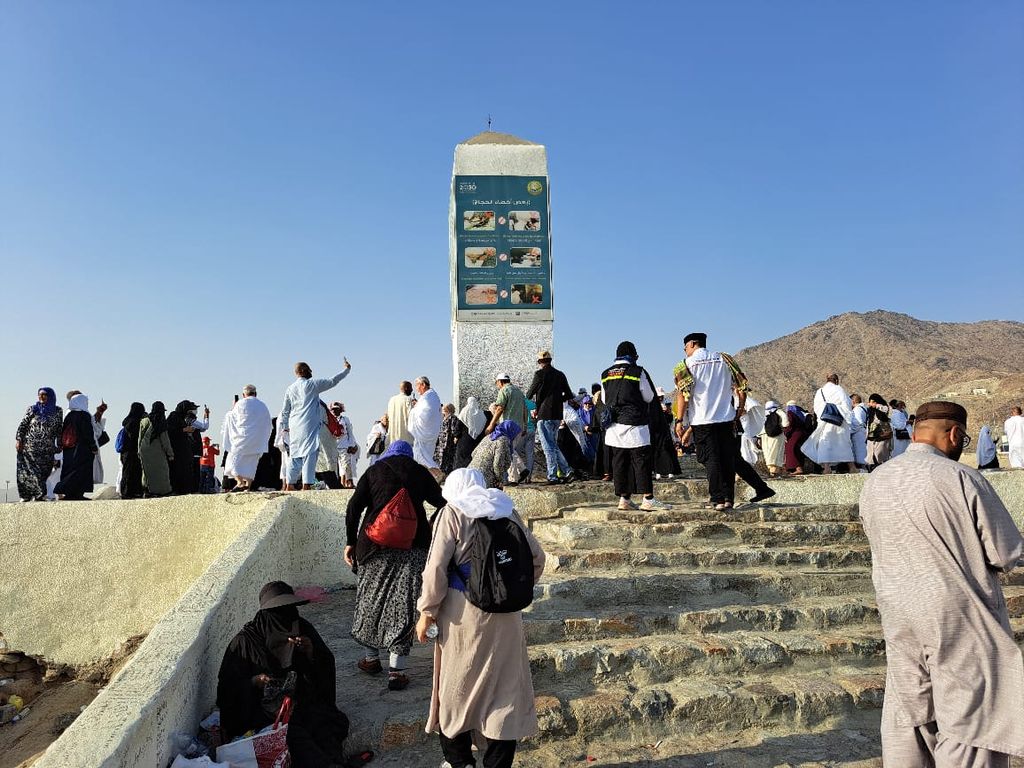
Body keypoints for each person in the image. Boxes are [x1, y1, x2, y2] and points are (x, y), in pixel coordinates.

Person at [859, 401, 1024, 766]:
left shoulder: (876, 481)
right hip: (958, 614)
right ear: (953, 434)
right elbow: (1005, 553)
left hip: (899, 613)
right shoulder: (962, 478)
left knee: (911, 712)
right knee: (973, 719)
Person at [415, 468, 546, 768]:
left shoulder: (453, 513)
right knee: (505, 694)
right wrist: (507, 590)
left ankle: (460, 763)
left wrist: (426, 612)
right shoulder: (506, 510)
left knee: (456, 692)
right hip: (507, 618)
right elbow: (537, 559)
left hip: (464, 616)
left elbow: (435, 568)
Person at [344, 440, 445, 690]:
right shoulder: (419, 472)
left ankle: (371, 659)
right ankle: (396, 671)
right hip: (413, 548)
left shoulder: (374, 470)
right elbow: (443, 504)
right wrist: (430, 524)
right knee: (404, 605)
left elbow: (354, 507)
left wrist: (350, 543)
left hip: (373, 546)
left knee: (370, 601)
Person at [216, 581, 352, 768]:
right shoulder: (245, 643)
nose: (287, 618)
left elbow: (324, 668)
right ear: (266, 614)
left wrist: (311, 653)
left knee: (324, 724)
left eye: (290, 610)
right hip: (261, 714)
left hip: (298, 703)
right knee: (294, 736)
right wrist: (254, 682)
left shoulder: (301, 628)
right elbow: (227, 691)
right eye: (279, 612)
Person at [673, 332, 748, 511]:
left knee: (711, 458)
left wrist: (679, 420)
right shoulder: (725, 359)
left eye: (685, 348)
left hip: (702, 420)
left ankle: (717, 498)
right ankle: (729, 498)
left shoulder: (684, 365)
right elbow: (742, 387)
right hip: (725, 417)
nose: (685, 352)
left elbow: (683, 395)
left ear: (692, 344)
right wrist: (739, 410)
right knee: (727, 458)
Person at [601, 341, 668, 510]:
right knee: (641, 461)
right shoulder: (638, 371)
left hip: (614, 427)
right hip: (635, 425)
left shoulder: (606, 374)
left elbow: (603, 399)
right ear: (633, 355)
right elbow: (648, 396)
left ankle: (624, 499)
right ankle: (648, 499)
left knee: (620, 462)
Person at [281, 360, 352, 490]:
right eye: (309, 369)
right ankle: (306, 484)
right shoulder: (311, 385)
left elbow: (285, 410)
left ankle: (290, 484)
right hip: (308, 426)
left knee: (295, 455)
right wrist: (346, 370)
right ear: (302, 371)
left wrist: (284, 427)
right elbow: (333, 381)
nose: (311, 372)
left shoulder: (290, 389)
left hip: (295, 426)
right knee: (310, 453)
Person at [526, 350, 576, 485]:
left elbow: (529, 393)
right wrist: (558, 399)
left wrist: (536, 403)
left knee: (548, 446)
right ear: (550, 360)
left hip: (544, 414)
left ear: (540, 363)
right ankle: (567, 471)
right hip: (557, 415)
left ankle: (552, 475)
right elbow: (569, 394)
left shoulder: (539, 374)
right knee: (553, 444)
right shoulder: (560, 375)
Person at [222, 384, 274, 492]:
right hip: (257, 441)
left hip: (242, 440)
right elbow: (268, 423)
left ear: (243, 394)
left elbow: (231, 418)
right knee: (251, 463)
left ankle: (240, 482)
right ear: (256, 393)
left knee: (232, 462)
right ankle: (248, 486)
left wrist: (233, 407)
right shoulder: (262, 405)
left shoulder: (240, 403)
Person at [801, 374, 856, 474]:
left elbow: (816, 407)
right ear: (836, 380)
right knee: (844, 443)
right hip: (839, 421)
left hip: (825, 421)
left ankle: (826, 468)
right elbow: (847, 404)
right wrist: (844, 414)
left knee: (825, 444)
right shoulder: (839, 389)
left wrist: (822, 416)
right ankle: (852, 467)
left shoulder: (820, 391)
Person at [15, 387, 63, 502]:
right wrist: (18, 440)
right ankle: (28, 495)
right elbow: (23, 426)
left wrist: (60, 444)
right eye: (39, 395)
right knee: (28, 472)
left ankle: (39, 494)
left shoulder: (57, 411)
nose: (41, 397)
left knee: (44, 472)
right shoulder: (33, 409)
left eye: (44, 395)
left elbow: (59, 429)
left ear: (50, 396)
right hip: (29, 448)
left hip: (47, 448)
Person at [484, 374, 529, 484]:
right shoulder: (518, 391)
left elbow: (499, 409)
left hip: (507, 426)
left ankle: (514, 478)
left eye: (497, 383)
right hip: (519, 426)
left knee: (508, 451)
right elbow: (525, 409)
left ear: (500, 381)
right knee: (510, 450)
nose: (497, 386)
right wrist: (525, 426)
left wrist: (491, 424)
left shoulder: (504, 390)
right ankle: (522, 470)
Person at [54, 393, 99, 500]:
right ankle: (77, 493)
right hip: (82, 449)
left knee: (70, 470)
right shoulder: (84, 415)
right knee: (81, 471)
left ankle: (69, 493)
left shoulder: (69, 415)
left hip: (69, 449)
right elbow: (87, 433)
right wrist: (93, 447)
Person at [469, 420, 521, 489]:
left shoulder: (488, 437)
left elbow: (473, 453)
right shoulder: (503, 440)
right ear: (512, 431)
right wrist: (500, 480)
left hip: (470, 473)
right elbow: (497, 464)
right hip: (484, 478)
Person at [139, 402, 174, 496]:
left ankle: (147, 490)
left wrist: (139, 450)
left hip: (144, 448)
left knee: (146, 471)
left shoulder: (145, 420)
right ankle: (163, 491)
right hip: (157, 450)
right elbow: (165, 439)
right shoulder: (161, 421)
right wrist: (170, 453)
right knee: (162, 470)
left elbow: (140, 437)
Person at [166, 400, 201, 495]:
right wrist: (184, 429)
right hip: (177, 450)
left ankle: (185, 490)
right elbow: (169, 431)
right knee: (178, 470)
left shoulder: (181, 418)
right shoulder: (174, 417)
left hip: (184, 450)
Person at [408, 376, 442, 471]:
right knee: (424, 456)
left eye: (417, 385)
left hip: (425, 433)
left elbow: (426, 414)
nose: (416, 389)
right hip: (429, 433)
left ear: (423, 385)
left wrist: (413, 411)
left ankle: (436, 472)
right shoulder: (431, 396)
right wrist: (418, 405)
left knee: (421, 456)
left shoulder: (429, 397)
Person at [117, 402, 147, 499]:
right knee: (131, 472)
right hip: (132, 451)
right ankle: (129, 492)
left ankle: (128, 492)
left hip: (126, 452)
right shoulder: (134, 422)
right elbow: (136, 437)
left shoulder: (128, 421)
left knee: (129, 472)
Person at [332, 402, 359, 488]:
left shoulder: (345, 419)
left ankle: (349, 481)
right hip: (333, 446)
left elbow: (350, 433)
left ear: (340, 410)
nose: (334, 411)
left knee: (346, 464)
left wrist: (351, 445)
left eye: (336, 409)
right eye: (333, 409)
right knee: (333, 466)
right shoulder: (330, 419)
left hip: (344, 445)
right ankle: (335, 483)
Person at [758, 400, 788, 478]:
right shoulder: (779, 412)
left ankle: (771, 471)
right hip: (777, 435)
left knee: (768, 453)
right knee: (776, 453)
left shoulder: (763, 413)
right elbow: (786, 423)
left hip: (764, 435)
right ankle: (774, 472)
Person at [864, 394, 893, 470]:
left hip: (883, 434)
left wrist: (876, 405)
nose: (871, 404)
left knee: (881, 452)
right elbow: (869, 423)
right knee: (871, 452)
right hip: (872, 433)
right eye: (870, 402)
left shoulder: (883, 408)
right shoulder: (870, 411)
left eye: (874, 401)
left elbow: (885, 410)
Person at [782, 401, 812, 474]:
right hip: (803, 433)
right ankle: (793, 468)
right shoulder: (802, 412)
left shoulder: (790, 413)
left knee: (790, 449)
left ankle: (798, 468)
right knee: (798, 450)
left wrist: (786, 433)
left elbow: (790, 425)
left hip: (794, 434)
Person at [386, 381, 414, 446]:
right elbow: (412, 416)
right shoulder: (408, 399)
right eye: (411, 388)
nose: (412, 390)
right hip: (406, 438)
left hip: (393, 438)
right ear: (406, 388)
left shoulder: (392, 400)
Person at [435, 404, 460, 475]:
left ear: (448, 409)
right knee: (440, 458)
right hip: (441, 441)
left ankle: (445, 474)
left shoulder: (453, 418)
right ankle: (440, 473)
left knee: (447, 459)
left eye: (444, 409)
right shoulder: (443, 417)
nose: (442, 410)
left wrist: (455, 438)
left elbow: (453, 429)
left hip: (448, 442)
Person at [848, 394, 869, 469]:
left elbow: (858, 422)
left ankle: (864, 467)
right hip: (861, 432)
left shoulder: (858, 409)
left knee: (860, 451)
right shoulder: (863, 408)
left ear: (853, 401)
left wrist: (850, 431)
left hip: (859, 433)